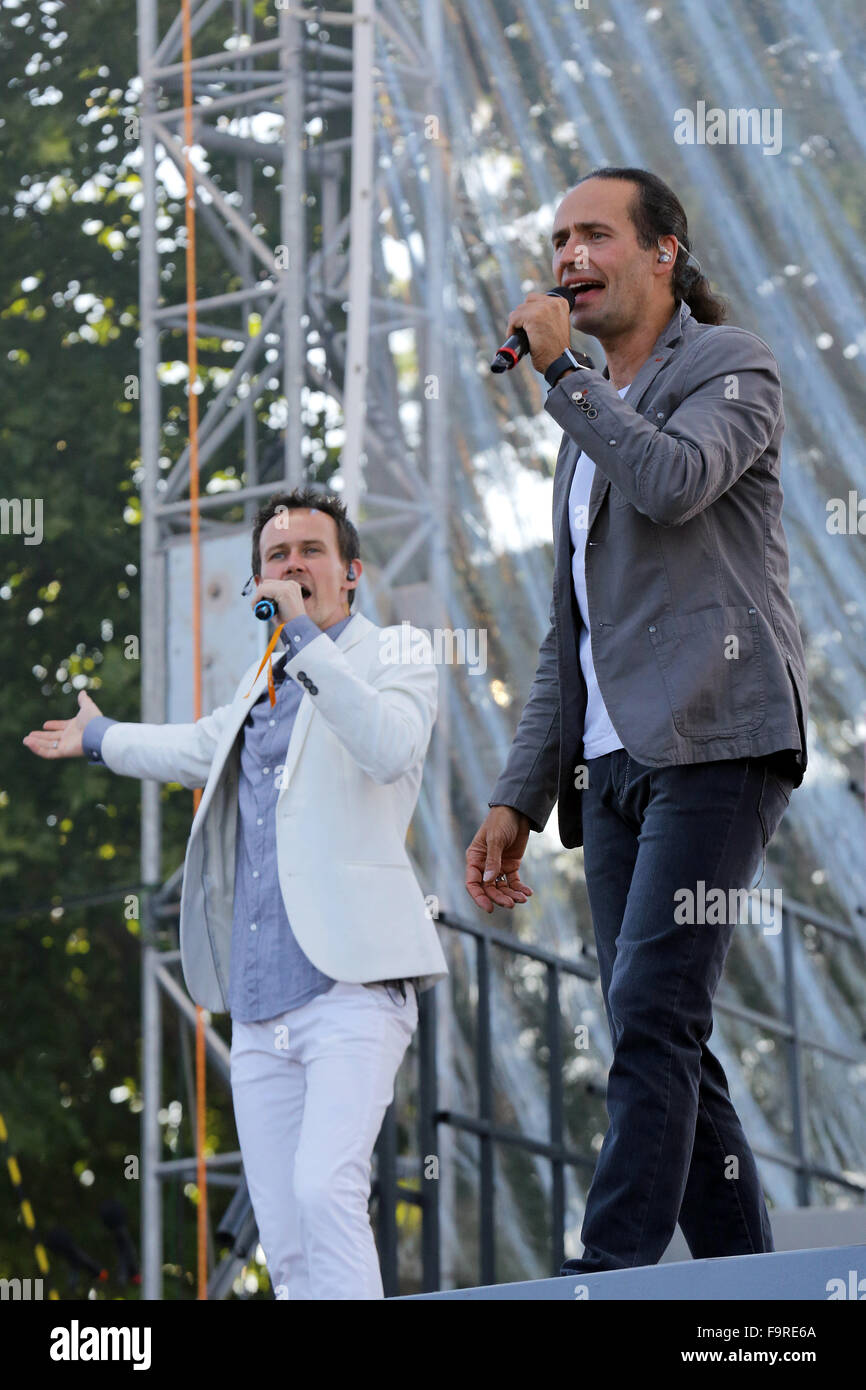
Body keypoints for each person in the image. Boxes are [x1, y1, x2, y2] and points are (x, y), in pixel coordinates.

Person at [465, 167, 808, 1276]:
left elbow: (670, 482)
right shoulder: (580, 431)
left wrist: (563, 368)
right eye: (556, 237)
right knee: (654, 1027)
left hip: (715, 739)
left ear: (662, 252)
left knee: (654, 1012)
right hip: (608, 770)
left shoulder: (728, 364)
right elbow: (563, 637)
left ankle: (603, 1269)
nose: (567, 254)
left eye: (593, 234)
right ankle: (749, 1290)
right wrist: (518, 795)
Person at [24, 486, 448, 1300]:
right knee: (285, 1238)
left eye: (311, 552)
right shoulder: (262, 686)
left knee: (327, 1190)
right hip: (258, 1006)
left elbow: (389, 748)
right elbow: (194, 747)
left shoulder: (393, 653)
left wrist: (307, 643)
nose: (292, 566)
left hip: (352, 989)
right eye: (276, 558)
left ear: (350, 572)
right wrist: (100, 739)